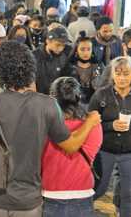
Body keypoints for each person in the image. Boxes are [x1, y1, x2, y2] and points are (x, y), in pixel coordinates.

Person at [0, 40, 101, 216]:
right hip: (27, 199)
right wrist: (90, 122)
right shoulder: (46, 104)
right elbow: (71, 146)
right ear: (30, 69)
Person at [42, 77, 103, 216]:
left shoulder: (44, 125)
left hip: (51, 194)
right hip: (83, 194)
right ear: (78, 96)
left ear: (52, 97)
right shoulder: (94, 124)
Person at [90, 56, 131, 216]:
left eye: (126, 73)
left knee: (128, 194)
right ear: (112, 74)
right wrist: (110, 125)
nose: (122, 78)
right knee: (99, 189)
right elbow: (90, 123)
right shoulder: (101, 95)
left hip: (130, 152)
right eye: (118, 73)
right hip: (105, 151)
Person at [33, 26, 73, 95]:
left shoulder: (64, 57)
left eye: (63, 45)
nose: (61, 49)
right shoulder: (33, 57)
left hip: (56, 99)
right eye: (57, 45)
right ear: (48, 41)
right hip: (37, 99)